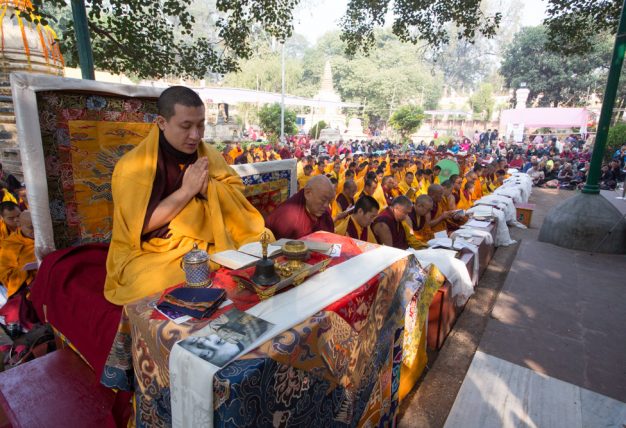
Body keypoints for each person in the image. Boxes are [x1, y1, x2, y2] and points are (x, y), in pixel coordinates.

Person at [105, 86, 268, 305]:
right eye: (186, 126)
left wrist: (209, 188)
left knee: (262, 244)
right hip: (152, 250)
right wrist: (187, 191)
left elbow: (236, 194)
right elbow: (139, 227)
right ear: (162, 123)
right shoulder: (133, 167)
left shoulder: (207, 154)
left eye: (201, 125)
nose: (195, 135)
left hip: (207, 240)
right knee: (164, 279)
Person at [266, 175, 335, 240]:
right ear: (308, 193)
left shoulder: (324, 214)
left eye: (329, 201)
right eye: (323, 200)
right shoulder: (288, 217)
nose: (326, 205)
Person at [0, 210, 36, 298]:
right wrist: (24, 270)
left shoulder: (50, 237)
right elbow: (4, 275)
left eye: (39, 227)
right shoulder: (10, 244)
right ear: (19, 224)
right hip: (30, 290)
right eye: (31, 227)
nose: (36, 231)